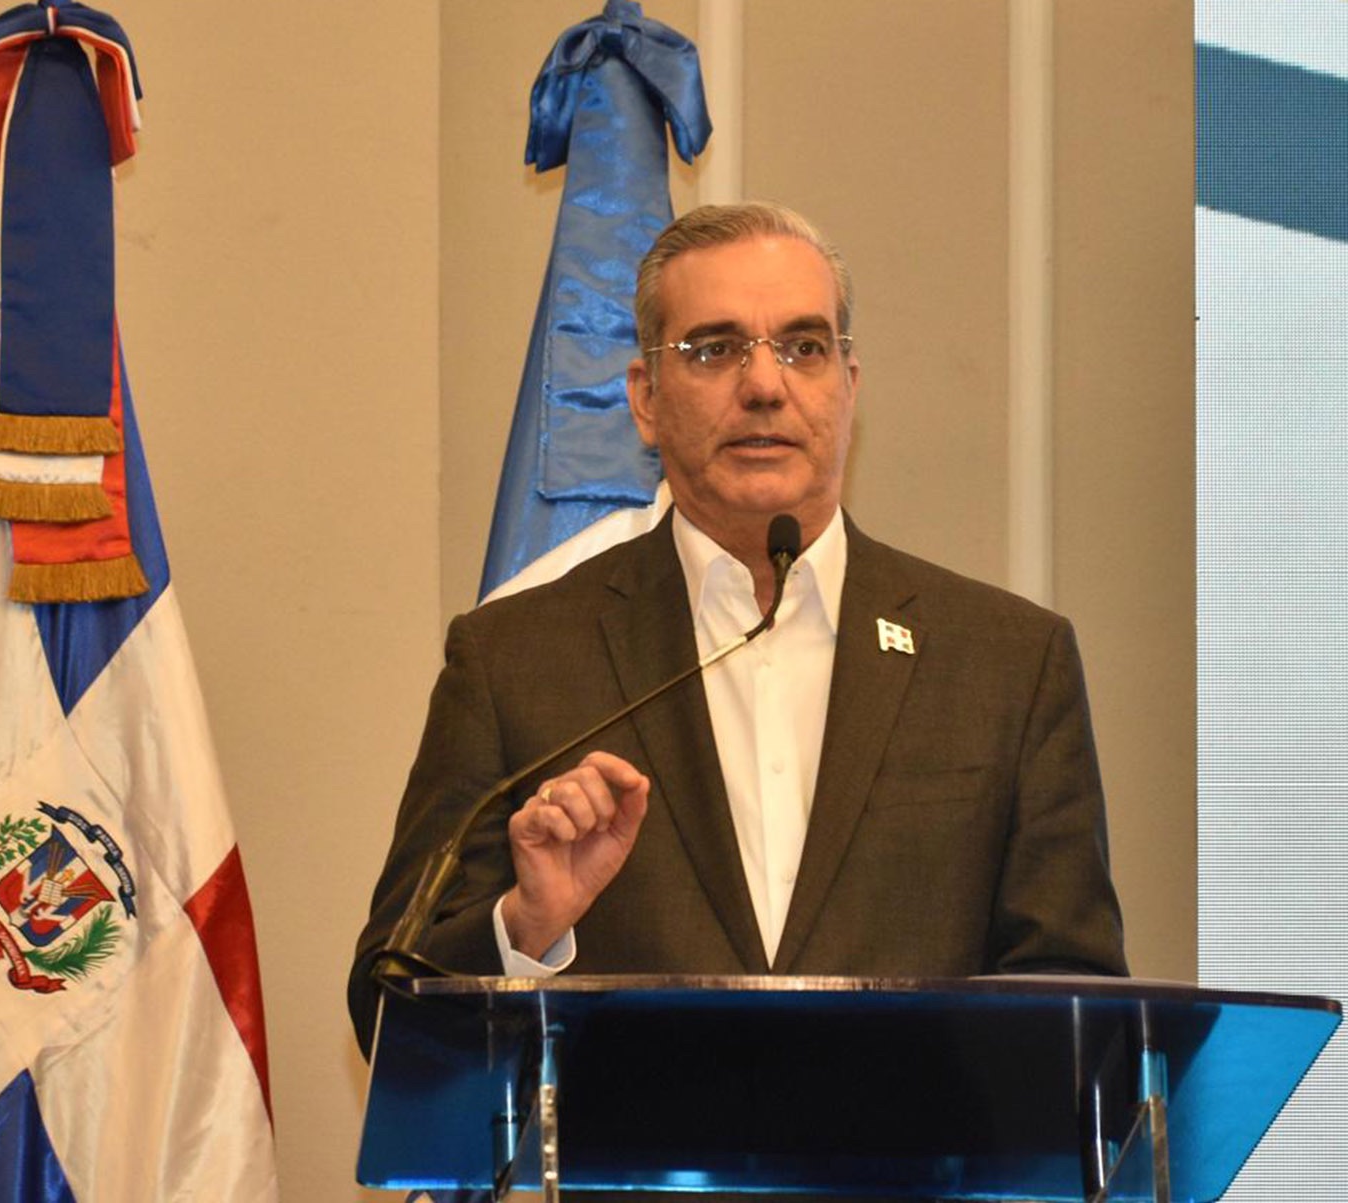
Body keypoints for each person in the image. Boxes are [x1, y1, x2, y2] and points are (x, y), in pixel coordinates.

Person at [348, 201, 1127, 1062]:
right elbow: (387, 1011)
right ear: (645, 399)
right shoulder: (516, 659)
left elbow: (1077, 1014)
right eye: (714, 350)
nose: (764, 385)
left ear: (849, 387)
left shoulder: (1007, 663)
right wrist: (525, 926)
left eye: (803, 347)